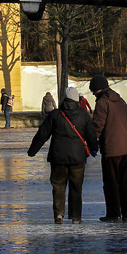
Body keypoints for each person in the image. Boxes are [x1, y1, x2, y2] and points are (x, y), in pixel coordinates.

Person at [28, 86, 99, 224]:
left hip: (58, 157)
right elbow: (91, 135)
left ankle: (59, 214)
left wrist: (33, 150)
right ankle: (76, 217)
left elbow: (43, 133)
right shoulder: (83, 115)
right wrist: (94, 148)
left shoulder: (55, 115)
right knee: (76, 187)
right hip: (78, 157)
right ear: (77, 99)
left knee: (58, 186)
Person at [89, 74, 127, 222]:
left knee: (111, 183)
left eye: (93, 90)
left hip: (111, 148)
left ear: (97, 89)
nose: (92, 93)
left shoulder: (103, 102)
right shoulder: (120, 100)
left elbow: (97, 125)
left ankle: (113, 213)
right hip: (125, 148)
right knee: (124, 182)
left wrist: (91, 141)